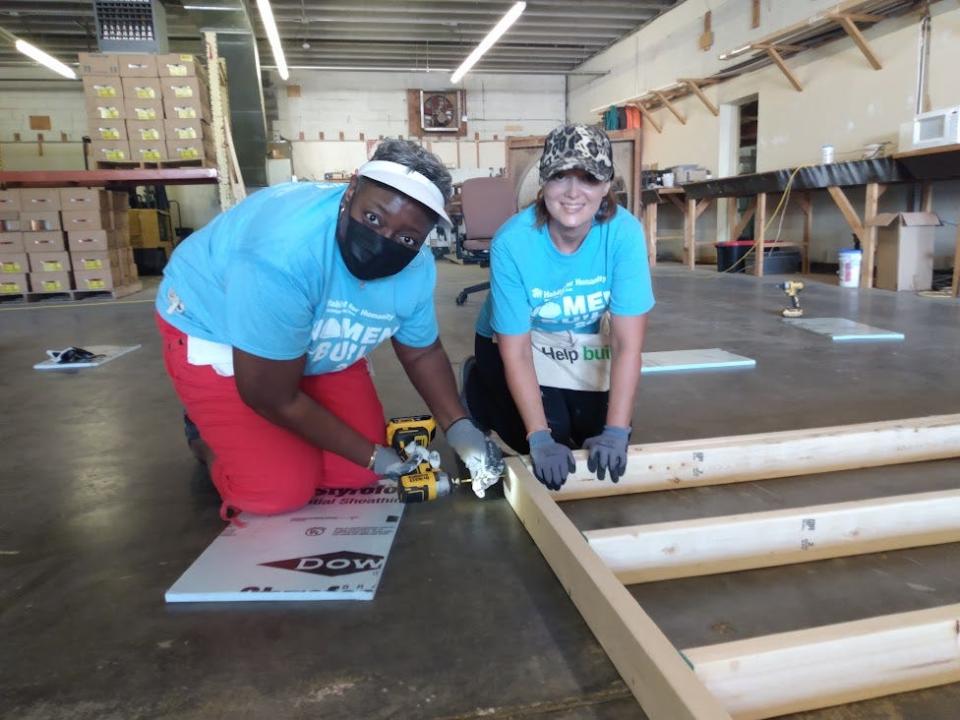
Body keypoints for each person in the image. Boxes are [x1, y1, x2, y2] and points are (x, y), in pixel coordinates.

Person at [155, 140, 504, 519]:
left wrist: (459, 426)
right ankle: (205, 435)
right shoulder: (282, 253)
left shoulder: (416, 267)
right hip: (220, 331)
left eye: (407, 238)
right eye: (374, 218)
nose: (385, 241)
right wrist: (377, 457)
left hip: (314, 341)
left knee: (354, 475)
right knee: (278, 491)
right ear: (352, 189)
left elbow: (421, 350)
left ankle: (277, 419)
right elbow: (271, 396)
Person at [462, 124, 653, 491]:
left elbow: (628, 345)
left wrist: (616, 431)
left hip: (578, 342)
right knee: (539, 436)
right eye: (560, 176)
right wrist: (538, 436)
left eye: (589, 178)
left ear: (607, 185)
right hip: (514, 342)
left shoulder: (624, 234)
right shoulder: (513, 242)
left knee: (591, 435)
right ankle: (478, 387)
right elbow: (515, 352)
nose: (572, 192)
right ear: (543, 181)